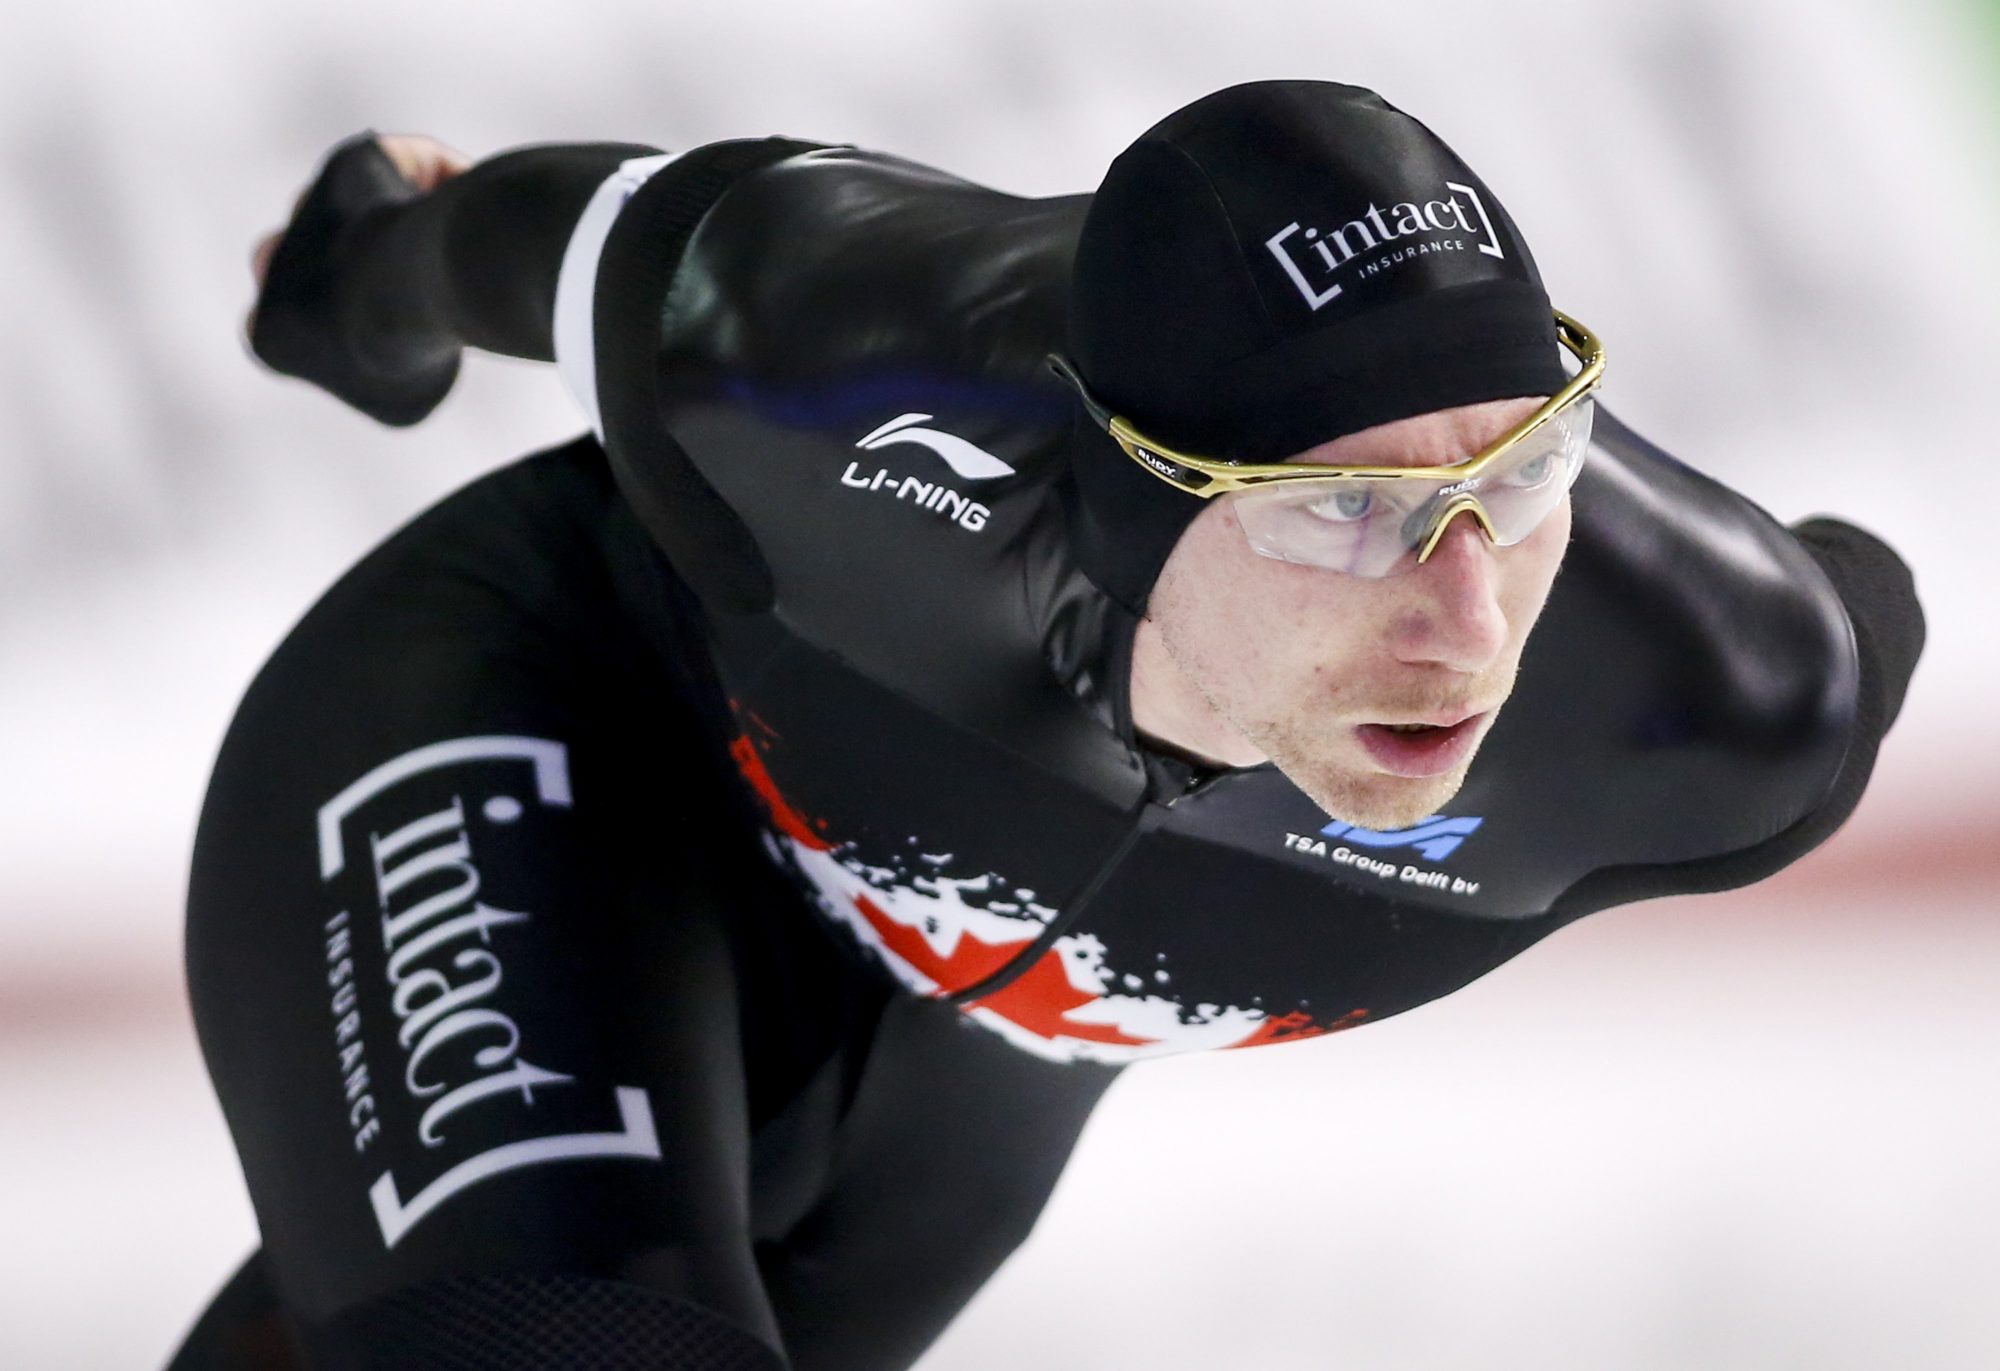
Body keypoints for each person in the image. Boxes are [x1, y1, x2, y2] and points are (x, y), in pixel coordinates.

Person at [165, 80, 1924, 1370]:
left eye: (1522, 474)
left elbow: (1859, 600)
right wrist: (360, 275)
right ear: (1131, 498)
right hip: (573, 725)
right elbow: (547, 242)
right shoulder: (817, 358)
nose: (1468, 620)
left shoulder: (1723, 701)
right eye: (1346, 511)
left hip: (971, 1052)